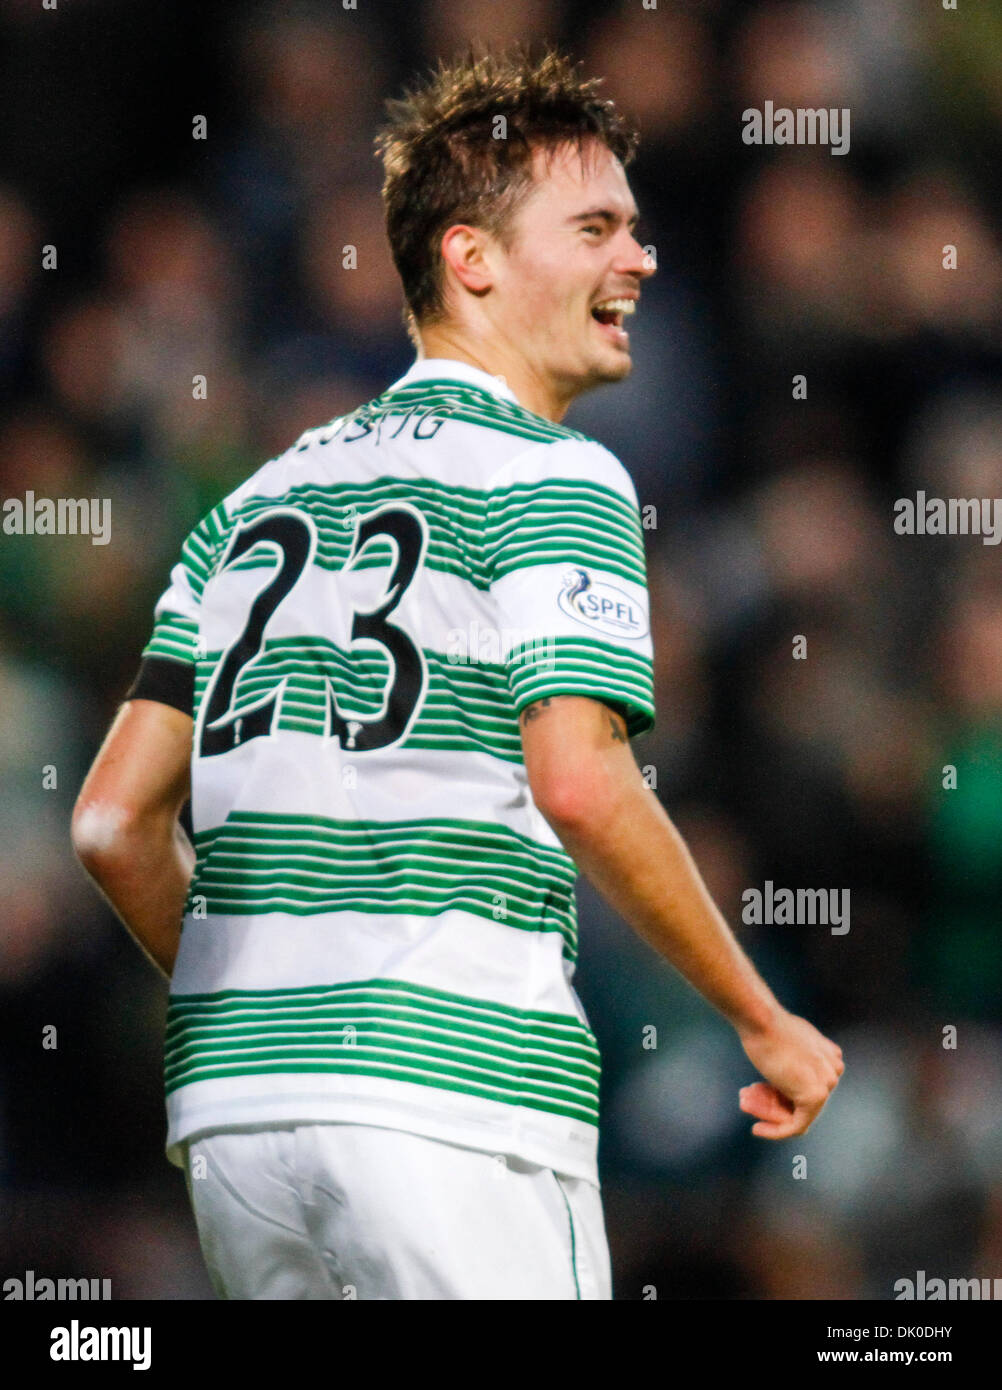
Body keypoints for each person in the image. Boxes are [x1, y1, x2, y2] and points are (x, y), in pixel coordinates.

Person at [72, 46, 843, 1301]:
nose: (639, 260)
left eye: (639, 231)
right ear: (471, 258)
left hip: (236, 1121)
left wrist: (272, 1008)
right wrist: (763, 1020)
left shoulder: (250, 504)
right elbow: (583, 785)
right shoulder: (556, 474)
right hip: (455, 1101)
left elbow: (110, 824)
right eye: (595, 227)